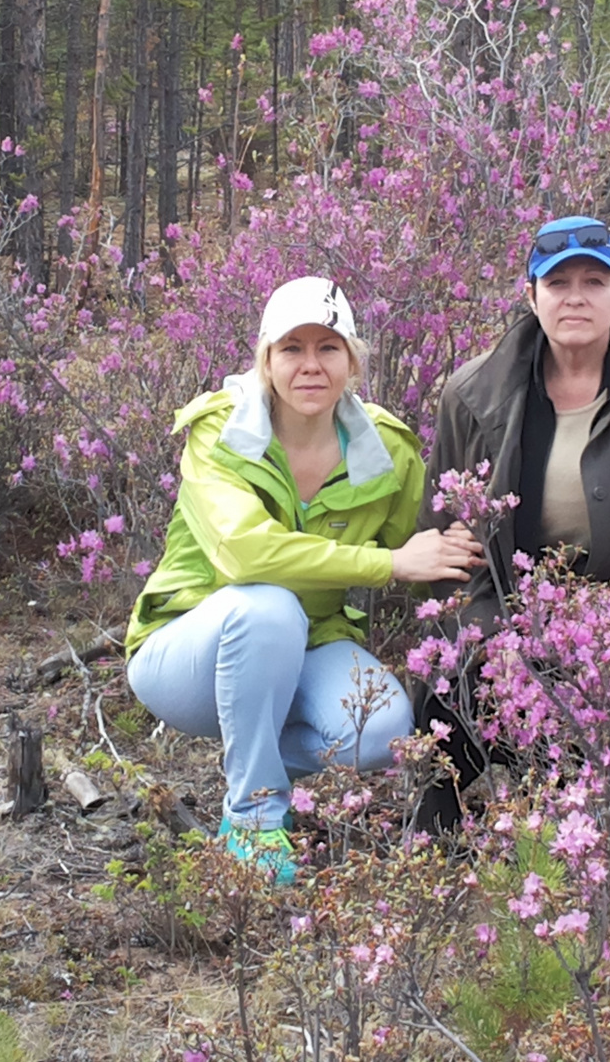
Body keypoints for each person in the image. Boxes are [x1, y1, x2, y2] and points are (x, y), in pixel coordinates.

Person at [126, 276, 483, 883]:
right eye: (292, 349)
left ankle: (256, 763)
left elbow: (424, 548)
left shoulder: (388, 452)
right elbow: (247, 557)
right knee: (267, 608)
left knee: (383, 732)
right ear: (266, 360)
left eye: (328, 348)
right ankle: (254, 823)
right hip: (186, 649)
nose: (310, 365)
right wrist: (390, 564)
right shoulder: (218, 432)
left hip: (308, 643)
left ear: (353, 362)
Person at [414, 214, 610, 827]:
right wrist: (496, 639)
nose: (576, 298)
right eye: (558, 283)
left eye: (595, 281)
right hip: (512, 620)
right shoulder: (473, 394)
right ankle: (436, 845)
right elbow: (448, 544)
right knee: (447, 689)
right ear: (530, 295)